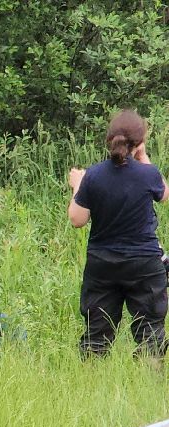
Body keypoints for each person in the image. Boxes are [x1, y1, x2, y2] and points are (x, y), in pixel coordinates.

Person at [68, 109, 167, 357]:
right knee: (151, 331)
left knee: (96, 334)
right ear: (139, 142)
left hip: (103, 264)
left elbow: (77, 220)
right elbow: (165, 195)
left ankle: (91, 383)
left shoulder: (93, 176)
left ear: (109, 140)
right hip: (144, 263)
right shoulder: (148, 174)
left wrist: (78, 186)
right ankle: (149, 381)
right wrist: (144, 158)